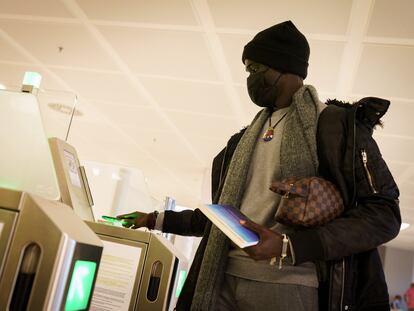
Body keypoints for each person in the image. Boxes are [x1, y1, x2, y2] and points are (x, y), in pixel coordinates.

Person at [117, 21, 401, 311]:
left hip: (289, 283)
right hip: (222, 277)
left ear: (287, 68)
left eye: (256, 69)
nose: (250, 78)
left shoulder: (334, 126)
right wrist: (155, 219)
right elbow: (223, 219)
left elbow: (384, 214)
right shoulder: (241, 141)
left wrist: (290, 247)